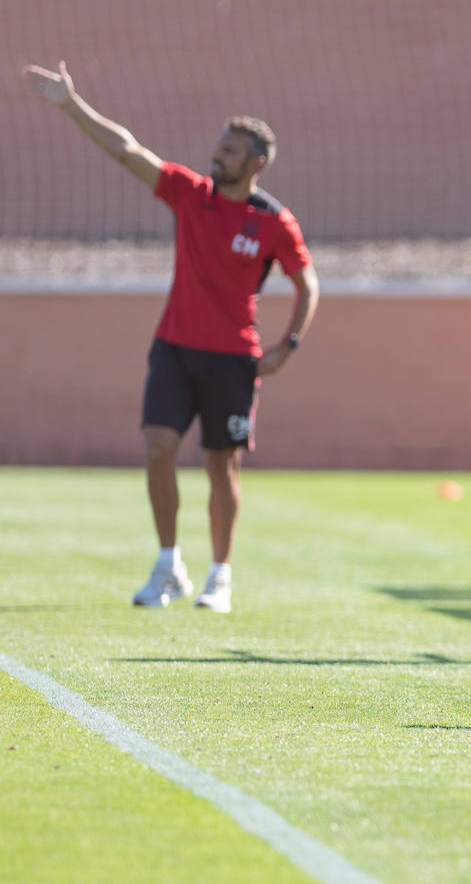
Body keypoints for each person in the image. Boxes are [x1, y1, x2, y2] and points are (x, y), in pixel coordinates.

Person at [23, 61, 320, 613]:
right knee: (158, 447)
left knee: (219, 465)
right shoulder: (191, 194)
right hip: (175, 348)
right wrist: (70, 104)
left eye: (230, 151)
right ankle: (168, 565)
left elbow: (307, 283)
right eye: (218, 146)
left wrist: (288, 346)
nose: (217, 156)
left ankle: (221, 575)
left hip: (234, 359)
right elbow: (128, 150)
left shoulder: (273, 222)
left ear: (255, 163)